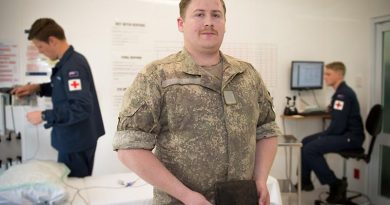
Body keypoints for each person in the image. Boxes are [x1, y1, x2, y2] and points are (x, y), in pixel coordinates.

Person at [112, 0, 281, 204]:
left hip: (242, 199)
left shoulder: (246, 75)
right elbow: (129, 148)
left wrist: (261, 179)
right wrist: (186, 196)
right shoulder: (157, 77)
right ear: (181, 24)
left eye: (216, 15)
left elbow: (267, 129)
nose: (208, 22)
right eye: (199, 14)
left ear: (225, 23)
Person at [11, 18, 105, 177]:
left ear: (52, 40)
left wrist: (43, 115)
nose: (40, 51)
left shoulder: (73, 67)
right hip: (75, 139)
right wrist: (37, 88)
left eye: (40, 46)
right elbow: (62, 88)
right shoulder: (68, 63)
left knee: (75, 191)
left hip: (76, 142)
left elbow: (81, 107)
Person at [299, 62, 364, 203]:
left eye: (328, 74)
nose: (324, 77)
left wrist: (323, 135)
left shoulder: (343, 95)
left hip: (351, 138)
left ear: (339, 75)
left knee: (310, 148)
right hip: (343, 134)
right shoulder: (340, 93)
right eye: (325, 74)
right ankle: (305, 182)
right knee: (304, 142)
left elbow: (338, 127)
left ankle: (335, 184)